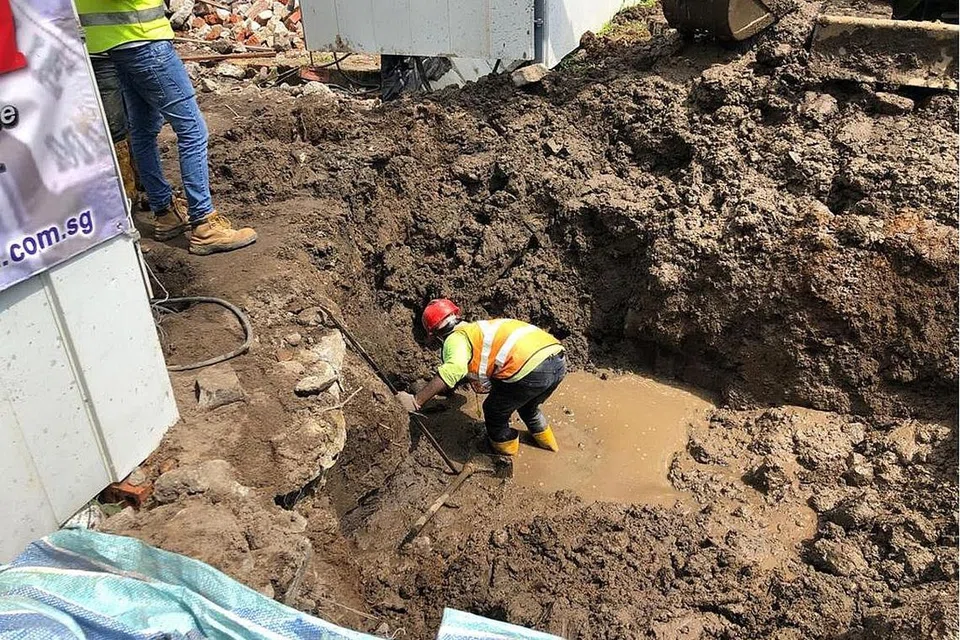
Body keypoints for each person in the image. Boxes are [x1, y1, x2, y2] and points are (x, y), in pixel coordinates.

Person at [75, 0, 256, 255]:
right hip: (144, 40)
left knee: (142, 131)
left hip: (110, 46)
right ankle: (204, 223)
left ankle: (165, 213)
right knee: (192, 130)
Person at [396, 299, 566, 456]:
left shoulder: (455, 339)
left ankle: (505, 453)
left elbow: (454, 368)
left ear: (434, 333)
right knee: (528, 408)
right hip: (556, 360)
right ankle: (551, 448)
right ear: (456, 316)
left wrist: (416, 400)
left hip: (529, 368)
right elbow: (474, 365)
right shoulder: (476, 329)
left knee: (494, 410)